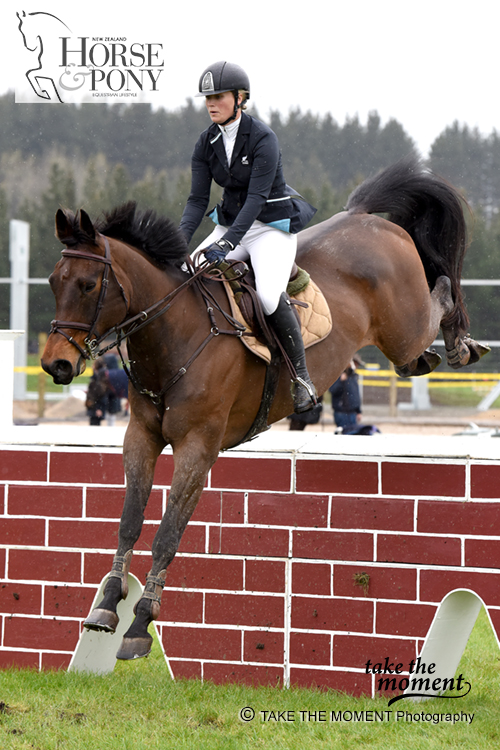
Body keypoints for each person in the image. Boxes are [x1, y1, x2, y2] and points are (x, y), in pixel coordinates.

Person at [179, 61, 318, 414]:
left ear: (240, 98)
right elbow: (197, 200)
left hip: (271, 227)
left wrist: (227, 245)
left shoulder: (262, 138)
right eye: (207, 97)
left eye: (219, 96)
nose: (211, 103)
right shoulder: (206, 141)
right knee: (184, 276)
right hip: (231, 224)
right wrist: (177, 243)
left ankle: (301, 377)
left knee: (270, 297)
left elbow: (256, 199)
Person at [329, 360, 362, 432]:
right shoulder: (337, 376)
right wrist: (341, 381)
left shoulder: (353, 376)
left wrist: (358, 411)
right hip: (341, 412)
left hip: (352, 413)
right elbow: (332, 390)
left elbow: (356, 395)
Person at [85, 359, 110, 426]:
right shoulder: (99, 378)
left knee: (94, 426)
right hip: (94, 407)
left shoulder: (98, 380)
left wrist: (98, 408)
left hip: (95, 408)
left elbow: (100, 395)